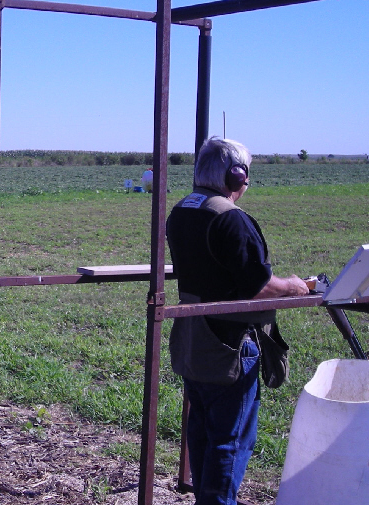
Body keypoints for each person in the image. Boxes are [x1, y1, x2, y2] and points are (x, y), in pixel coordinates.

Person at [166, 137, 309, 505]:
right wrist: (293, 286)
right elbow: (258, 287)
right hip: (230, 344)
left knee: (200, 430)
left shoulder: (181, 211)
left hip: (193, 339)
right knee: (231, 439)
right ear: (235, 176)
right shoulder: (231, 219)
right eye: (244, 176)